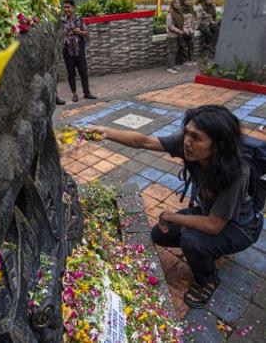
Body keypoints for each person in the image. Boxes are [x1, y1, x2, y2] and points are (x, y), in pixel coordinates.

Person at [87, 105, 261, 308]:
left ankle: (208, 279)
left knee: (191, 240)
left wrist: (171, 216)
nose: (186, 142)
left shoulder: (237, 174)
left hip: (240, 227)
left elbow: (214, 225)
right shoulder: (188, 145)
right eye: (187, 133)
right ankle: (212, 248)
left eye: (196, 137)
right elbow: (144, 141)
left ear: (218, 146)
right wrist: (105, 132)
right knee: (160, 234)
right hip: (208, 214)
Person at [61, 0, 97, 102]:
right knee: (71, 74)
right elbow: (58, 35)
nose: (66, 9)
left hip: (79, 50)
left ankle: (87, 93)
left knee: (83, 72)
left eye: (68, 7)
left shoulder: (78, 20)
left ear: (73, 8)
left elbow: (87, 33)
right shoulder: (61, 21)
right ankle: (74, 94)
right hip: (67, 52)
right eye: (65, 7)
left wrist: (79, 31)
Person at [166, 0, 184, 74]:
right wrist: (178, 31)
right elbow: (169, 25)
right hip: (172, 35)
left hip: (177, 35)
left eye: (178, 3)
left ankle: (173, 65)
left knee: (175, 50)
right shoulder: (170, 14)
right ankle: (170, 67)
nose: (177, 4)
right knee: (172, 51)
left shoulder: (178, 13)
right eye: (175, 3)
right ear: (172, 4)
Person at [178, 0, 197, 66]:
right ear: (183, 1)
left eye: (188, 0)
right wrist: (182, 30)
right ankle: (184, 61)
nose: (187, 1)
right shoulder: (180, 9)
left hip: (190, 30)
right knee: (184, 46)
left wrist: (193, 27)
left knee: (191, 44)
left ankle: (191, 59)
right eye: (185, 0)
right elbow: (179, 21)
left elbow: (193, 19)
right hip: (184, 30)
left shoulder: (191, 8)